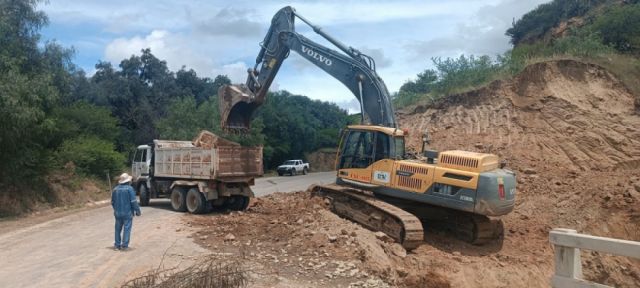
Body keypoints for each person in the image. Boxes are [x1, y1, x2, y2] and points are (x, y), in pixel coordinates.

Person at [111, 173, 141, 251]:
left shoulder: (115, 189)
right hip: (127, 213)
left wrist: (116, 210)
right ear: (128, 181)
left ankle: (117, 245)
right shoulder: (129, 189)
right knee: (127, 229)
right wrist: (137, 211)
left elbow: (113, 202)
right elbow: (133, 201)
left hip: (117, 213)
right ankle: (124, 246)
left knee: (117, 229)